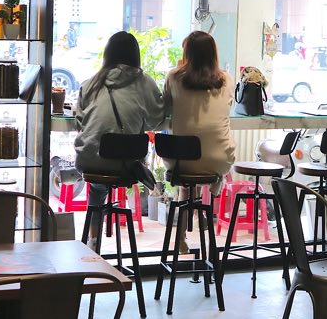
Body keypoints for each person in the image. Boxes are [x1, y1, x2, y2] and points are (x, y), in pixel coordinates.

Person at [73, 31, 164, 248]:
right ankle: (99, 242)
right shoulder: (145, 83)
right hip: (126, 162)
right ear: (135, 56)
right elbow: (156, 120)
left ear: (107, 54)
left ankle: (93, 242)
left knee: (98, 186)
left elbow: (79, 121)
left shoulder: (91, 83)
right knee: (114, 167)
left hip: (90, 161)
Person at [162, 31, 236, 196]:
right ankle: (202, 205)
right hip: (218, 160)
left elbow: (165, 108)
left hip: (180, 161)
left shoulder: (173, 77)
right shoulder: (227, 79)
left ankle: (186, 202)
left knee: (185, 167)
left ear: (187, 54)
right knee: (207, 149)